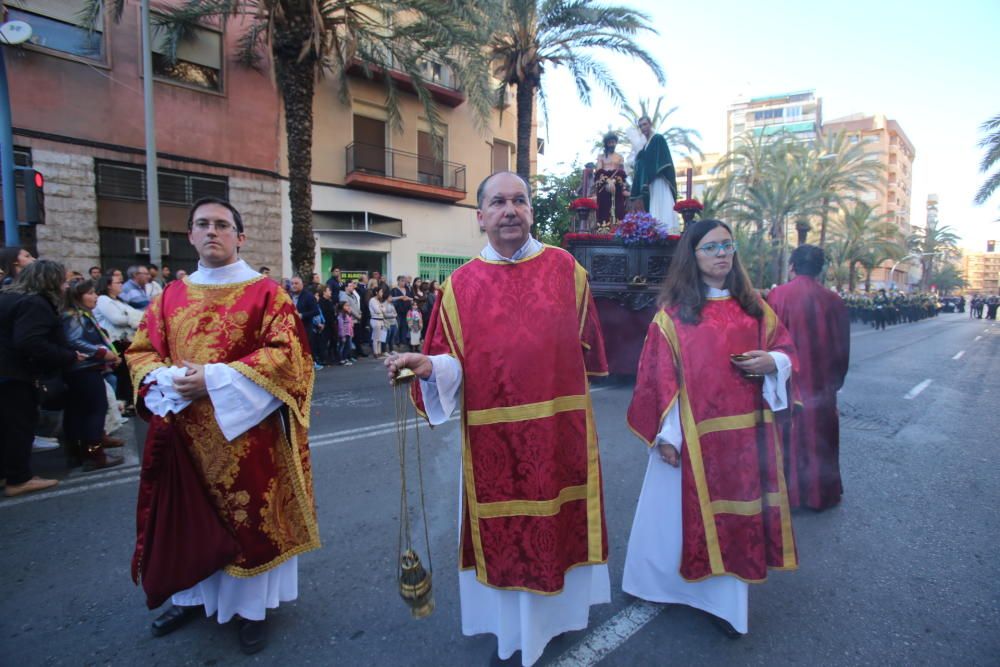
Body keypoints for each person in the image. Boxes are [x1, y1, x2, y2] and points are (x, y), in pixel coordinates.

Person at [386, 171, 610, 666]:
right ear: (480, 216)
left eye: (520, 201)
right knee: (505, 535)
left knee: (558, 525)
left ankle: (561, 620)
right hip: (495, 441)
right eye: (499, 202)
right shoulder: (459, 286)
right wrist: (429, 366)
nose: (511, 210)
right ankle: (512, 634)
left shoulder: (566, 270)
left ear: (530, 211)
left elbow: (588, 349)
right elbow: (451, 362)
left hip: (558, 432)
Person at [125, 197, 319, 654]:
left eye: (222, 225)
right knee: (189, 519)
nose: (212, 232)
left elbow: (290, 357)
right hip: (185, 437)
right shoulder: (170, 296)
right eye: (202, 225)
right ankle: (190, 594)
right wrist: (168, 379)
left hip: (248, 439)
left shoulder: (267, 293)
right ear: (190, 235)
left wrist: (213, 379)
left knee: (248, 524)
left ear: (240, 236)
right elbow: (140, 351)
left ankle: (251, 611)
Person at [623, 219, 798, 637]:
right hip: (689, 438)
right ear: (692, 256)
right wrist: (667, 435)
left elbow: (786, 349)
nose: (722, 254)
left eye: (727, 245)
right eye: (711, 247)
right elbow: (657, 378)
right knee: (672, 516)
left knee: (735, 519)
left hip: (745, 439)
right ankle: (658, 584)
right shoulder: (673, 316)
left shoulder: (755, 307)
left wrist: (774, 363)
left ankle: (724, 605)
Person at [767, 245, 850, 510]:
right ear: (820, 269)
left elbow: (767, 341)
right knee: (820, 437)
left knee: (789, 435)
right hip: (822, 384)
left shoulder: (778, 295)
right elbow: (842, 345)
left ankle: (789, 494)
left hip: (788, 382)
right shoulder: (834, 300)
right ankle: (821, 493)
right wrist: (836, 379)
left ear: (792, 266)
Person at [0, 260, 83, 497]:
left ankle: (6, 473)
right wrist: (67, 356)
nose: (66, 286)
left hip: (6, 373)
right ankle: (18, 478)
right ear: (50, 281)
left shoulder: (8, 297)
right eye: (63, 281)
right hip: (13, 376)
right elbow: (30, 342)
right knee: (19, 426)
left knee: (5, 427)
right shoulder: (34, 303)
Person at [61, 279, 125, 471]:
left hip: (85, 369)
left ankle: (80, 451)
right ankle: (94, 454)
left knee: (81, 411)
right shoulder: (73, 316)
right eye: (89, 293)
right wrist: (102, 353)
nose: (95, 296)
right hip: (83, 369)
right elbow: (74, 341)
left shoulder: (81, 315)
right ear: (77, 296)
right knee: (95, 410)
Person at [628, 115, 679, 233]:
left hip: (658, 179)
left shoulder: (657, 139)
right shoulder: (646, 145)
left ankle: (666, 230)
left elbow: (660, 160)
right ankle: (656, 231)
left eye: (645, 124)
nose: (643, 128)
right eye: (640, 126)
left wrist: (642, 162)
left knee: (662, 203)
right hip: (650, 182)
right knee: (653, 206)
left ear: (650, 124)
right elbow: (643, 162)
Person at [593, 131, 629, 225]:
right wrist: (607, 180)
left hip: (617, 184)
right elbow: (598, 171)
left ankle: (618, 227)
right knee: (604, 207)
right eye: (609, 142)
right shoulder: (601, 157)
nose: (612, 144)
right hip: (604, 184)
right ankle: (603, 227)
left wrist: (614, 180)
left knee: (619, 207)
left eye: (613, 142)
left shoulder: (620, 157)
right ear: (606, 143)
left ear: (616, 143)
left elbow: (622, 172)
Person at [289, 275, 323, 370]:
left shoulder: (308, 296)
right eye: (292, 283)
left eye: (296, 283)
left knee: (305, 346)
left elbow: (316, 311)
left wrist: (302, 315)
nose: (294, 286)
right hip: (292, 327)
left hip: (305, 327)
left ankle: (310, 364)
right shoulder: (289, 296)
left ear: (302, 284)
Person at [389, 275, 412, 348]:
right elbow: (391, 299)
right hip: (397, 310)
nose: (403, 282)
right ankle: (396, 341)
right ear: (398, 281)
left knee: (405, 326)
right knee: (398, 326)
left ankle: (403, 340)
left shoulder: (407, 289)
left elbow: (411, 298)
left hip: (406, 310)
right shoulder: (394, 289)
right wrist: (401, 297)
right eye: (402, 281)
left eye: (404, 281)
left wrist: (408, 299)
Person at [369, 286, 390, 358]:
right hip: (375, 320)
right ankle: (376, 353)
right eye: (381, 292)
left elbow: (384, 310)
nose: (382, 293)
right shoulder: (372, 300)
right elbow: (377, 310)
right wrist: (381, 308)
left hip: (381, 320)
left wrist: (381, 308)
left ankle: (379, 352)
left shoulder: (378, 301)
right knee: (376, 337)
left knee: (380, 338)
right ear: (376, 292)